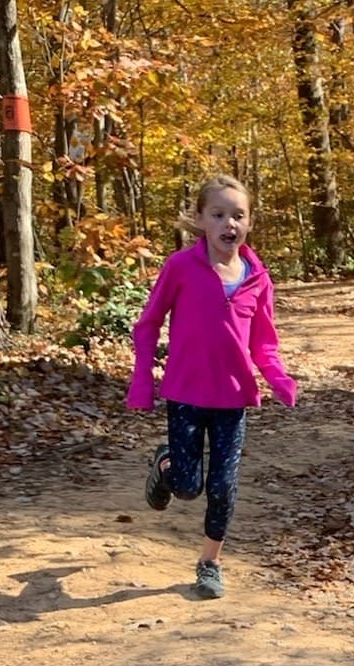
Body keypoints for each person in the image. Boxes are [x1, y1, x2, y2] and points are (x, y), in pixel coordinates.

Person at [126, 174, 297, 600]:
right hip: (184, 393)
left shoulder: (258, 278)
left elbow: (264, 342)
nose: (229, 224)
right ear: (201, 220)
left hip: (233, 398)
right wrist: (142, 381)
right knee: (187, 487)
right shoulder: (180, 267)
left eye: (238, 215)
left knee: (223, 485)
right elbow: (148, 325)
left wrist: (277, 378)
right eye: (219, 214)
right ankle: (166, 466)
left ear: (249, 222)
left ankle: (209, 562)